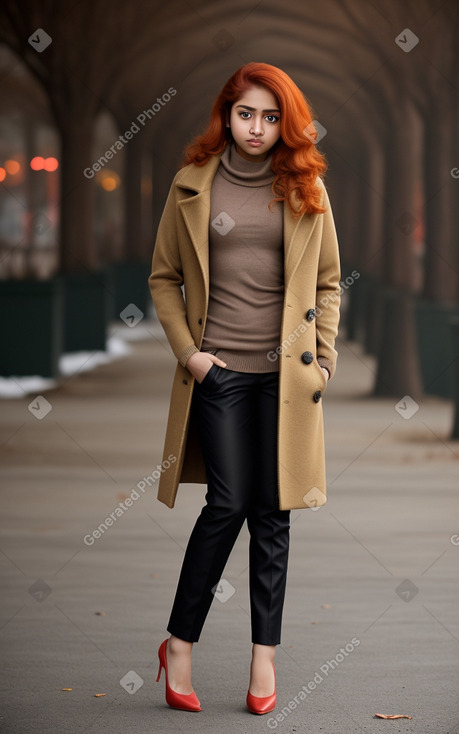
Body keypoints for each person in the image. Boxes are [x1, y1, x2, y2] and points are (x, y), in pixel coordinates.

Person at [149, 61, 341, 715]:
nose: (255, 128)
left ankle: (264, 659)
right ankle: (179, 643)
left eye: (268, 116)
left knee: (274, 511)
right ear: (224, 116)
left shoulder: (304, 186)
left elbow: (327, 282)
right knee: (226, 503)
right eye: (244, 114)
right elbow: (163, 277)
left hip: (285, 379)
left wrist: (322, 361)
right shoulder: (191, 185)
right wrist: (191, 355)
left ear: (283, 122)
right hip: (221, 373)